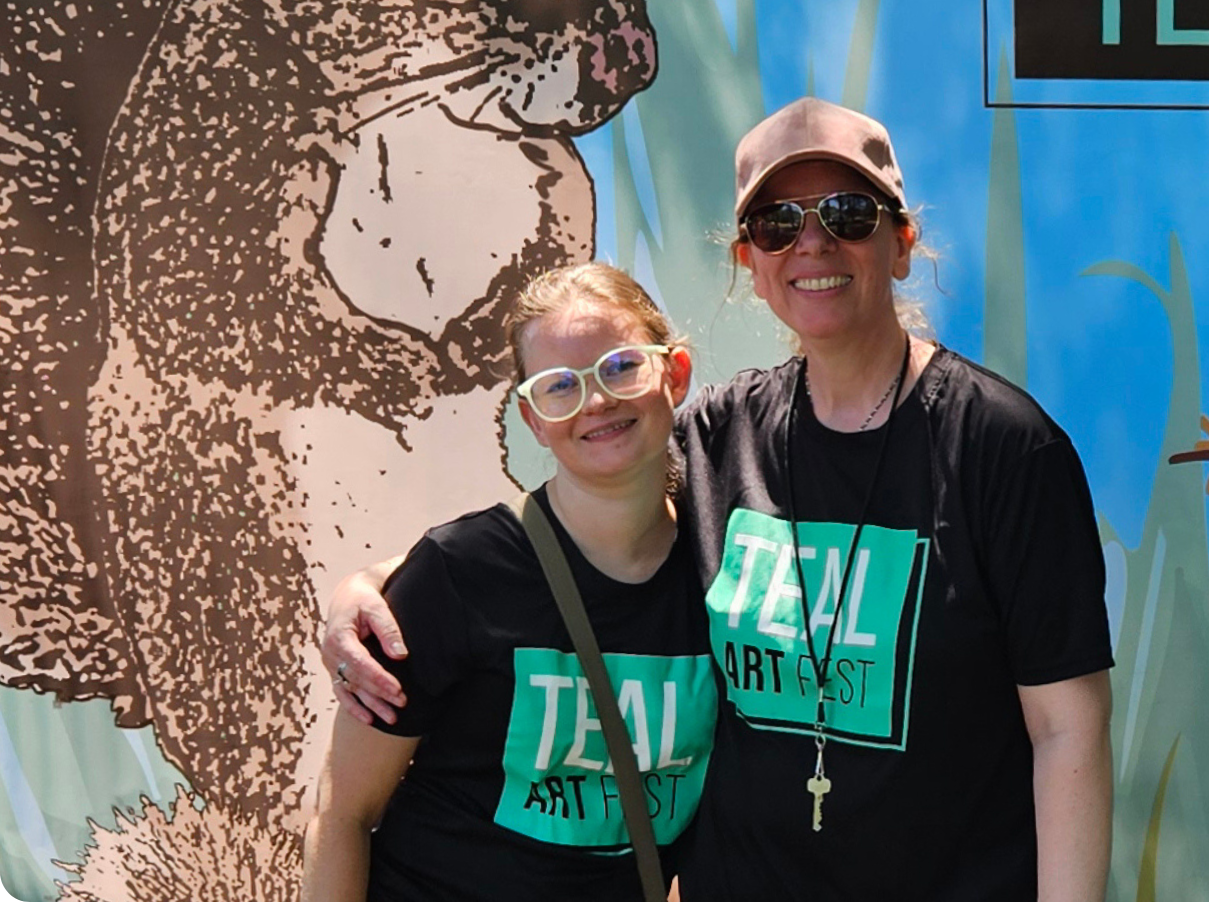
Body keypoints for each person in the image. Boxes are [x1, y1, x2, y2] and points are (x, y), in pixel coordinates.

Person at [323, 98, 1115, 901]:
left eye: (847, 213)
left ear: (902, 243)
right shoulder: (717, 436)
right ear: (750, 262)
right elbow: (571, 526)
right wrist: (374, 587)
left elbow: (1067, 732)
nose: (813, 242)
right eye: (777, 224)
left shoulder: (1004, 450)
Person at [302, 262, 713, 901]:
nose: (596, 401)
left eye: (620, 367)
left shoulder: (722, 569)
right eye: (559, 386)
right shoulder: (458, 572)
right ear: (532, 418)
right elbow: (343, 811)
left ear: (675, 373)